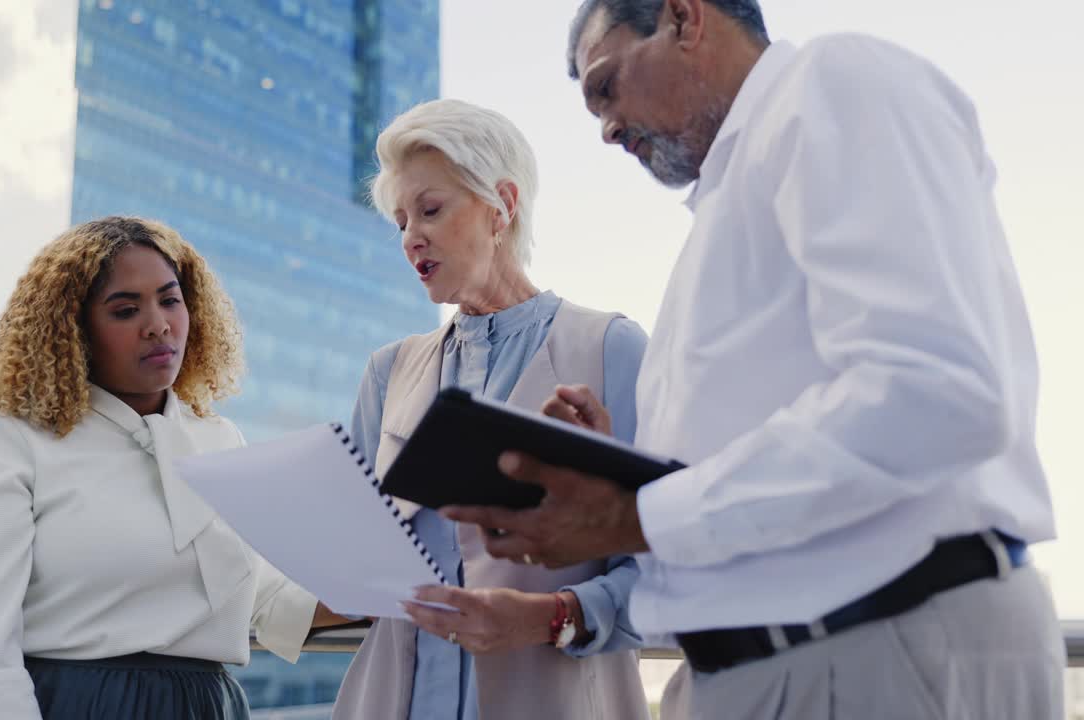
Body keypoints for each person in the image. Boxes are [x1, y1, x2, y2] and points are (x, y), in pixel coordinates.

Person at [443, 1, 1065, 717]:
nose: (608, 130)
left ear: (683, 18)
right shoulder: (734, 193)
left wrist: (639, 513)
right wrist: (623, 467)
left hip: (869, 653)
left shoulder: (830, 82)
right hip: (786, 666)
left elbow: (934, 392)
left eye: (606, 87)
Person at [0, 216, 346, 719]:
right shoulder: (5, 437)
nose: (158, 323)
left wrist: (388, 588)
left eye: (170, 299)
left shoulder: (217, 439)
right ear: (72, 331)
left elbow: (258, 594)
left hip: (210, 707)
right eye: (124, 309)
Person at [331, 98, 651, 720]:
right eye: (399, 221)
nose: (410, 237)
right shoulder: (386, 372)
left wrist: (548, 619)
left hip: (558, 700)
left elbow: (664, 565)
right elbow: (360, 557)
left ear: (502, 205)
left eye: (429, 210)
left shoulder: (612, 349)